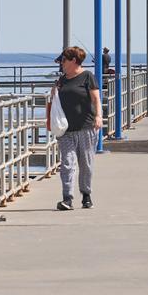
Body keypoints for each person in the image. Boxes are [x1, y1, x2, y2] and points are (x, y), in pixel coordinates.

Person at [46, 46, 102, 211]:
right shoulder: (61, 80)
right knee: (67, 163)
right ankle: (67, 198)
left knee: (86, 163)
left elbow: (96, 99)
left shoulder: (87, 76)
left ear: (73, 61)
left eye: (64, 60)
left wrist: (99, 117)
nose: (61, 63)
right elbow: (54, 101)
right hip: (66, 130)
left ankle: (86, 195)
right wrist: (53, 95)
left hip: (86, 127)